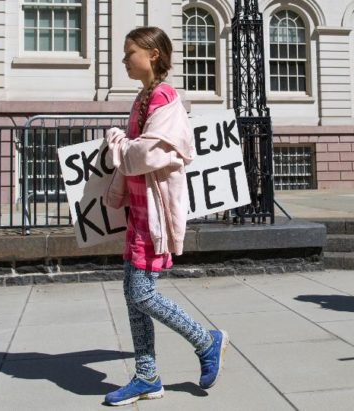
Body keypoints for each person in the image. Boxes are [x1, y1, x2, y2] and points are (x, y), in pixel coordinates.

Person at [102, 26, 229, 406]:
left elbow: (145, 155)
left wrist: (117, 143)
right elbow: (134, 154)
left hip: (154, 216)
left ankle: (206, 341)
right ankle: (147, 376)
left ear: (153, 54)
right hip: (138, 213)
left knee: (142, 292)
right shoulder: (142, 97)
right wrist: (124, 147)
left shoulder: (165, 98)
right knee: (131, 294)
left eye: (130, 53)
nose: (124, 60)